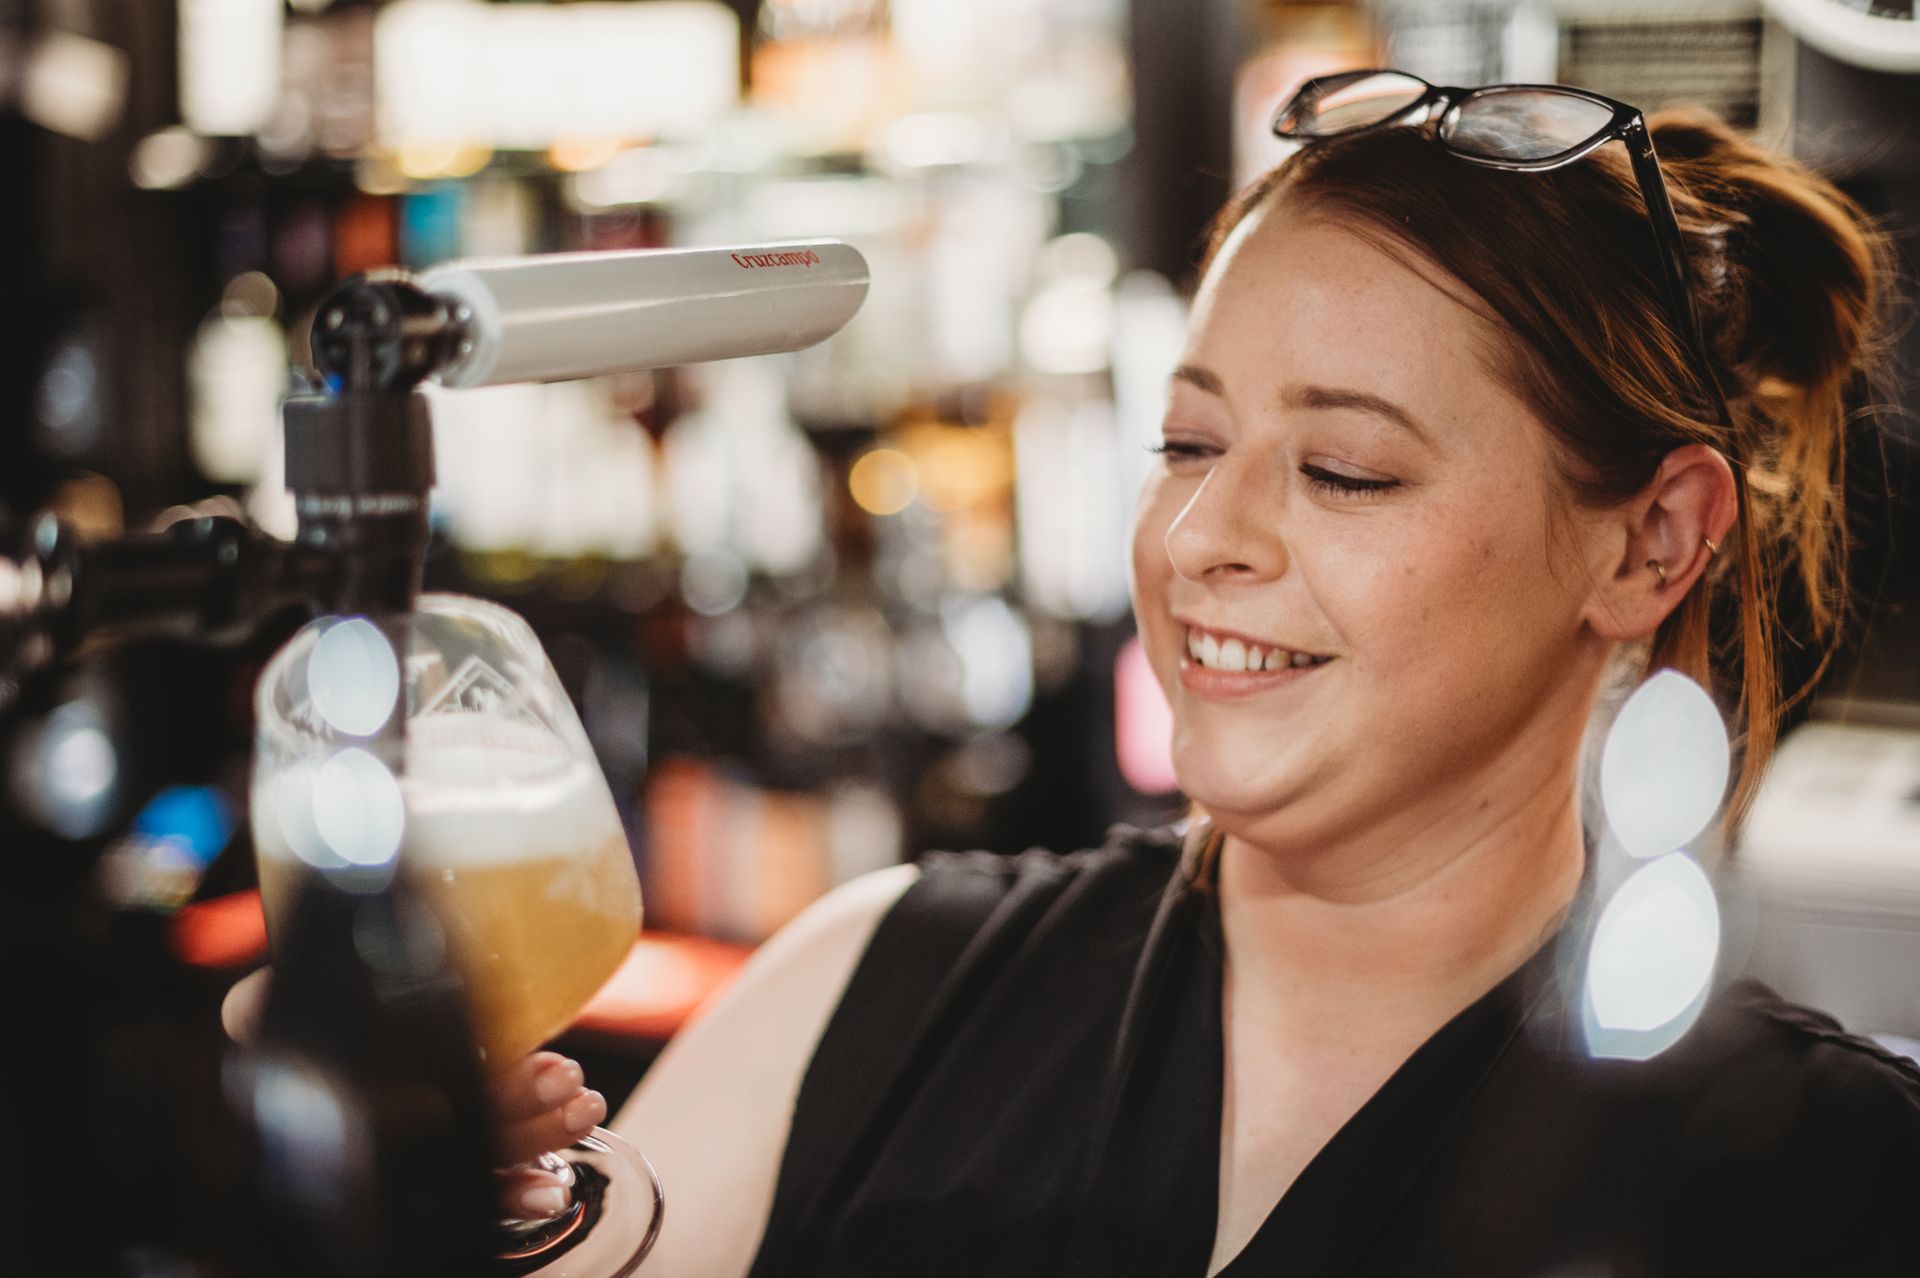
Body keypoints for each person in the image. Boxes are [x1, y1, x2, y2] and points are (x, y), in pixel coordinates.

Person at [229, 73, 1919, 1273]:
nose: (1202, 538)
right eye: (1188, 442)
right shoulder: (882, 980)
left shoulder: (1831, 1179)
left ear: (1649, 543)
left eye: (1343, 470)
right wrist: (431, 1201)